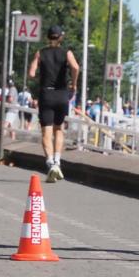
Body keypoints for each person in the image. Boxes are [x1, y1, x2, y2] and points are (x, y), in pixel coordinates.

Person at [28, 25, 80, 183]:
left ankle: (50, 163)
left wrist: (40, 77)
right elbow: (75, 67)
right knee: (59, 129)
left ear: (48, 37)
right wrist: (74, 83)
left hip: (46, 93)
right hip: (62, 94)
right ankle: (58, 161)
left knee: (46, 132)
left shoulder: (40, 53)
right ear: (60, 37)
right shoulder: (67, 53)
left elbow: (31, 73)